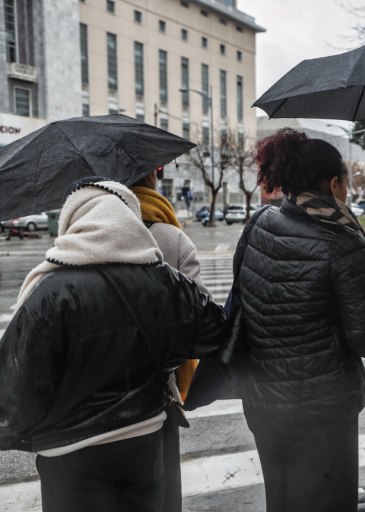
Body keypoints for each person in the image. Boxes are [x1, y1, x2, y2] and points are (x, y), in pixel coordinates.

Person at [0, 178, 227, 512]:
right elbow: (214, 331)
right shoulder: (163, 279)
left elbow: (16, 396)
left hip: (70, 456)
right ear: (128, 218)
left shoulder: (48, 292)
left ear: (76, 220)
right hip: (144, 443)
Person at [236, 128, 365, 512]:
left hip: (263, 402)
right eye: (347, 184)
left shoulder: (259, 223)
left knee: (281, 503)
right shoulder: (344, 243)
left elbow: (243, 299)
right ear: (334, 184)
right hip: (322, 413)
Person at [131, 168, 210, 512]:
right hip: (155, 396)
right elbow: (202, 325)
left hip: (86, 411)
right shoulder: (171, 238)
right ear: (150, 178)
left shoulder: (76, 237)